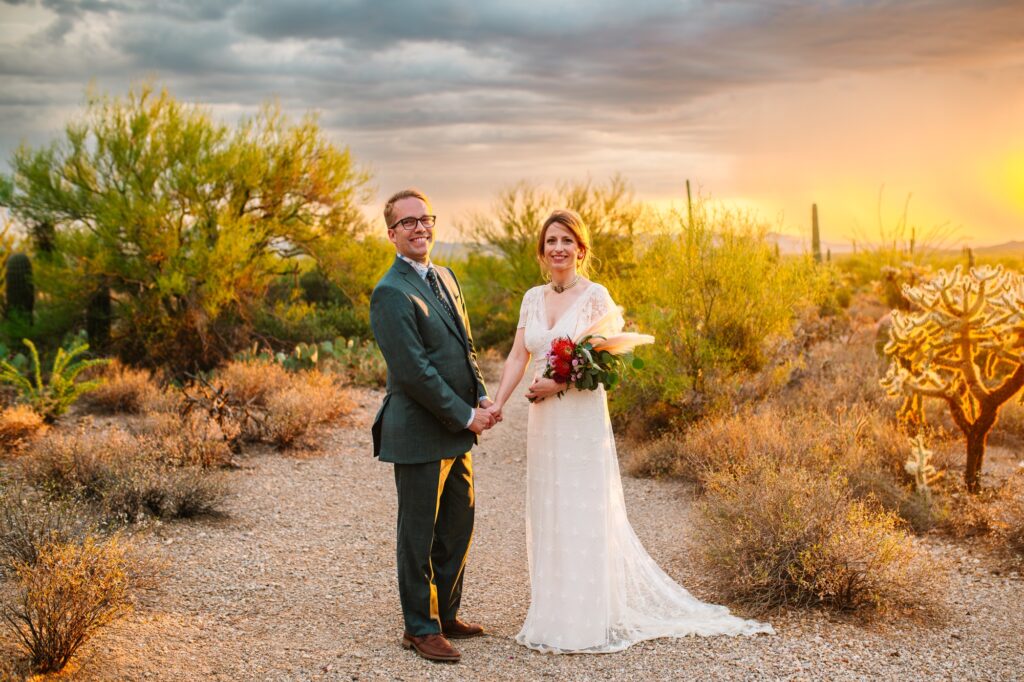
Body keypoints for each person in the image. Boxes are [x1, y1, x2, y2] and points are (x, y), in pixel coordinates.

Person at [488, 209, 774, 653]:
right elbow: (516, 358)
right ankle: (554, 608)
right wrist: (497, 403)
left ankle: (587, 617)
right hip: (543, 419)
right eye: (551, 241)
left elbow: (607, 361)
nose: (558, 248)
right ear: (541, 251)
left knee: (583, 503)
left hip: (578, 416)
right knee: (551, 503)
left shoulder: (596, 295)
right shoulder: (532, 298)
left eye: (567, 240)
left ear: (581, 249)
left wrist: (561, 379)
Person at [369, 188, 496, 663]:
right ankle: (419, 628)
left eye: (426, 219)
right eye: (408, 223)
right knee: (417, 534)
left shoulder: (446, 275)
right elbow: (414, 371)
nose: (420, 228)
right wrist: (466, 414)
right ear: (392, 234)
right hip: (418, 429)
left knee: (458, 525)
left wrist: (480, 393)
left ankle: (445, 614)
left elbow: (465, 347)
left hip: (457, 430)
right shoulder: (390, 292)